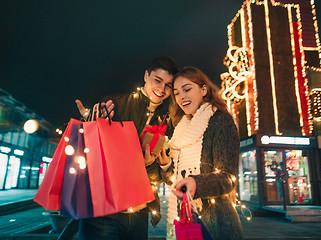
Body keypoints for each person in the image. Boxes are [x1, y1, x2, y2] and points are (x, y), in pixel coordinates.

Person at [75, 56, 179, 240]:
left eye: (168, 85)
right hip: (103, 211)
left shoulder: (167, 121)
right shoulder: (115, 104)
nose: (162, 89)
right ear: (146, 76)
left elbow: (160, 178)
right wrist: (89, 124)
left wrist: (147, 165)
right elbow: (89, 153)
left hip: (140, 213)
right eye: (158, 80)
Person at [165, 66, 243, 240]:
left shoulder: (220, 120)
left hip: (216, 222)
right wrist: (164, 164)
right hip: (184, 219)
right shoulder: (181, 130)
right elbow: (176, 180)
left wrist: (196, 183)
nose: (181, 96)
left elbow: (228, 177)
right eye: (176, 93)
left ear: (204, 89)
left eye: (187, 89)